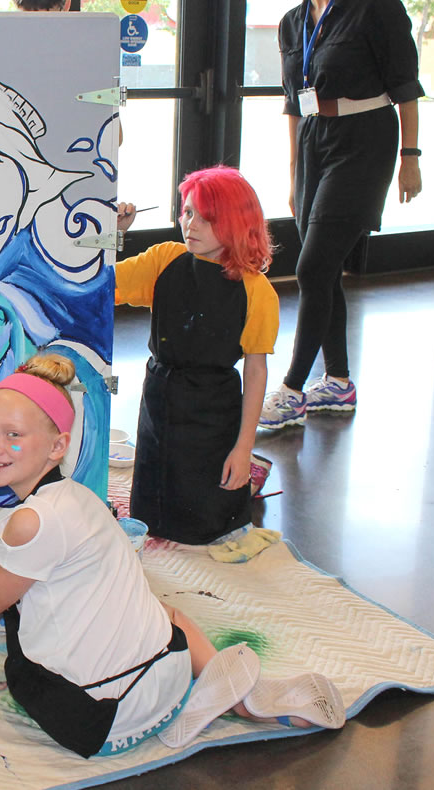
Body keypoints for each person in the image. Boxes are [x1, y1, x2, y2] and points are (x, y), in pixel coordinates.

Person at [0, 354, 344, 756]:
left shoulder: (29, 521)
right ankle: (232, 693)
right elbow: (11, 582)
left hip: (103, 719)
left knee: (18, 647)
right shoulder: (79, 497)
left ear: (56, 446)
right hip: (168, 673)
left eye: (13, 435)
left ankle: (228, 698)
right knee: (161, 611)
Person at [260, 0, 423, 429]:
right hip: (314, 142)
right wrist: (295, 169)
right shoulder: (292, 23)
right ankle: (338, 381)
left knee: (312, 269)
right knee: (326, 271)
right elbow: (294, 100)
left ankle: (293, 391)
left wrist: (411, 156)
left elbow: (405, 85)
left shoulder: (376, 9)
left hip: (365, 140)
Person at [114, 166, 278, 547]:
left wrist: (243, 448)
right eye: (187, 213)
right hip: (159, 394)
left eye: (206, 218)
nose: (191, 225)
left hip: (212, 410)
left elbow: (256, 371)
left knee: (207, 527)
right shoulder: (165, 259)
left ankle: (249, 475)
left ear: (237, 222)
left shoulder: (256, 289)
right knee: (150, 514)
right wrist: (116, 234)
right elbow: (101, 285)